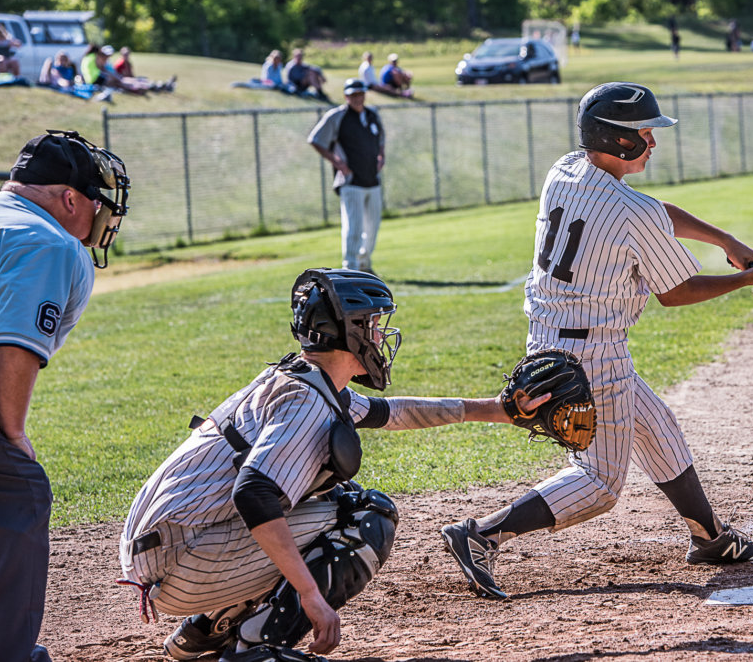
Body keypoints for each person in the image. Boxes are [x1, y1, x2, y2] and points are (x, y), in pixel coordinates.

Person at [440, 82, 753, 601]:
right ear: (619, 141)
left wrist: (725, 240)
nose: (653, 142)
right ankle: (482, 534)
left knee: (658, 428)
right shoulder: (631, 212)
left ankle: (710, 538)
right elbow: (676, 292)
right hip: (591, 354)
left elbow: (654, 211)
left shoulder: (563, 170)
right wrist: (747, 280)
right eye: (645, 133)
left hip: (552, 341)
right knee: (600, 484)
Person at [119, 267, 549, 662]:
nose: (380, 336)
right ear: (350, 331)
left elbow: (393, 412)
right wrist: (310, 595)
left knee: (335, 498)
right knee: (365, 517)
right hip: (181, 560)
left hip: (166, 550)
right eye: (373, 325)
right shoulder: (307, 402)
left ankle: (207, 631)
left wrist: (497, 410)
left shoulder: (304, 381)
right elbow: (253, 493)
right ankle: (254, 649)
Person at [0, 130, 130, 662]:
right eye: (96, 201)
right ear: (70, 198)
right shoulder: (47, 239)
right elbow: (13, 346)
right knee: (18, 491)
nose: (102, 213)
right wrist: (13, 434)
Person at [307, 79, 385, 274]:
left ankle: (365, 265)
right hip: (351, 181)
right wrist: (338, 163)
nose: (357, 98)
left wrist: (381, 156)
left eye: (360, 94)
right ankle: (350, 268)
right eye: (353, 95)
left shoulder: (372, 115)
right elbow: (316, 140)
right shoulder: (337, 116)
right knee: (354, 228)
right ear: (346, 96)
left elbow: (381, 140)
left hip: (372, 179)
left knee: (372, 228)